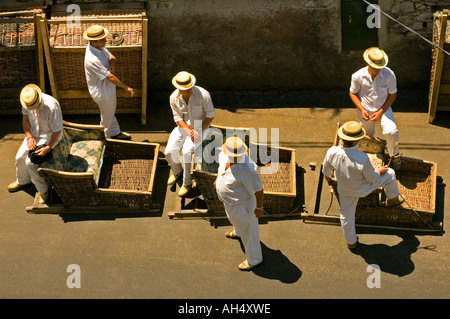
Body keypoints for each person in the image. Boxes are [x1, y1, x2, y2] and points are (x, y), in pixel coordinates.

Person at [322, 121, 404, 249]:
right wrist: (380, 172)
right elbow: (372, 179)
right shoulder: (362, 158)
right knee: (391, 174)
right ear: (356, 141)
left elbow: (326, 172)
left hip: (344, 190)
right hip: (363, 189)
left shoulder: (332, 151)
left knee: (346, 216)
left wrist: (329, 180)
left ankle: (351, 242)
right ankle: (393, 199)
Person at [7, 84, 63, 204]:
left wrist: (48, 147)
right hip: (34, 134)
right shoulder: (27, 100)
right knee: (19, 157)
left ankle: (43, 191)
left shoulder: (52, 106)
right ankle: (23, 181)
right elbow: (25, 120)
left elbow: (57, 130)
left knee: (31, 163)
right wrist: (29, 137)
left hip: (49, 135)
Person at [214, 136, 264, 271]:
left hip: (243, 205)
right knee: (235, 220)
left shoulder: (250, 169)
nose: (234, 157)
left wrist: (259, 208)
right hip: (230, 203)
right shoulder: (223, 156)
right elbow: (220, 170)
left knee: (250, 232)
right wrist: (217, 180)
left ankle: (254, 259)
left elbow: (259, 190)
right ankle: (238, 231)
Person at [165, 71, 215, 197]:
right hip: (183, 128)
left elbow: (210, 115)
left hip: (201, 127)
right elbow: (177, 118)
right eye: (185, 89)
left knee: (187, 152)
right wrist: (188, 131)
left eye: (189, 87)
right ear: (178, 88)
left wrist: (198, 130)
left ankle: (186, 183)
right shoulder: (173, 97)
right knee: (169, 151)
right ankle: (177, 171)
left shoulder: (203, 95)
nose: (188, 90)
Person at [349, 47, 401, 169]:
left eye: (379, 67)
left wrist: (381, 111)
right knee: (366, 137)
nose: (377, 70)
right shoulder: (358, 76)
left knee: (392, 131)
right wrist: (362, 109)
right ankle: (366, 162)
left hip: (384, 108)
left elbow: (392, 95)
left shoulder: (389, 74)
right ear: (368, 63)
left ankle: (395, 156)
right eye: (374, 67)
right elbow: (353, 93)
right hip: (365, 109)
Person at [84, 25, 134, 140]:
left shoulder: (99, 47)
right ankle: (106, 141)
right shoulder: (92, 59)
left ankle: (115, 133)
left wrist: (112, 64)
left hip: (107, 89)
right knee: (106, 121)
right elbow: (110, 77)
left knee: (110, 113)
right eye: (102, 39)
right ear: (94, 42)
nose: (106, 40)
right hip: (102, 92)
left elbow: (111, 56)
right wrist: (127, 88)